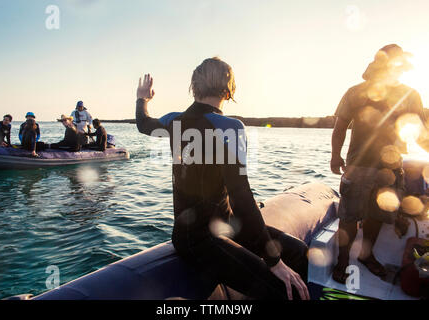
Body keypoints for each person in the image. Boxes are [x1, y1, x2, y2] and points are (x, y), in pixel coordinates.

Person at [135, 58, 310, 300]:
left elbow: (143, 124)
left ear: (194, 87)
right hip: (200, 239)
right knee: (283, 288)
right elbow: (241, 195)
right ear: (228, 90)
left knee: (298, 251)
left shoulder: (174, 120)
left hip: (224, 224)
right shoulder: (229, 127)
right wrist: (273, 260)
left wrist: (142, 99)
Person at [330, 44, 427, 284]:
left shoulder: (410, 95)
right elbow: (340, 127)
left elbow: (420, 133)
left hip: (391, 170)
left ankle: (366, 255)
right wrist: (335, 155)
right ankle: (342, 262)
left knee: (377, 215)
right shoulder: (355, 92)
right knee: (350, 216)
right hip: (358, 165)